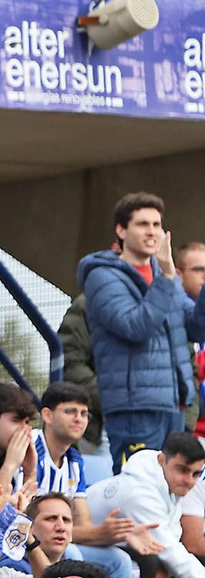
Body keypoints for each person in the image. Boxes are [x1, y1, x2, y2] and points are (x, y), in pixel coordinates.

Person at [80, 193, 202, 463]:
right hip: (135, 409)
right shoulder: (103, 276)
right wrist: (168, 278)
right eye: (143, 224)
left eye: (157, 225)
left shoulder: (163, 275)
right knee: (138, 490)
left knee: (169, 496)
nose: (152, 232)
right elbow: (136, 326)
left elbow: (196, 328)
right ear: (121, 230)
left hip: (174, 405)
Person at [86, 434, 205, 578]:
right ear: (161, 459)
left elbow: (172, 539)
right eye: (182, 470)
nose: (189, 481)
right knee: (151, 559)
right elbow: (175, 556)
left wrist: (167, 565)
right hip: (78, 545)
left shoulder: (164, 479)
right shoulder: (140, 493)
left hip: (117, 544)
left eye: (196, 474)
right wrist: (167, 562)